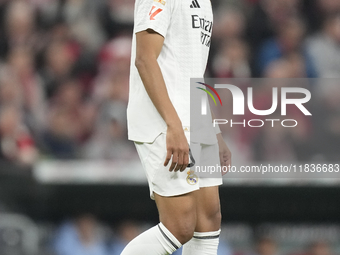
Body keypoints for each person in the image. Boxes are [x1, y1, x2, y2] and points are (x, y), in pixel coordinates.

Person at [123, 0, 231, 254]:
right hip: (164, 120)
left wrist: (213, 128)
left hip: (196, 118)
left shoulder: (204, 3)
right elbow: (145, 59)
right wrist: (174, 126)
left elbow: (191, 73)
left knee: (208, 218)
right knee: (179, 227)